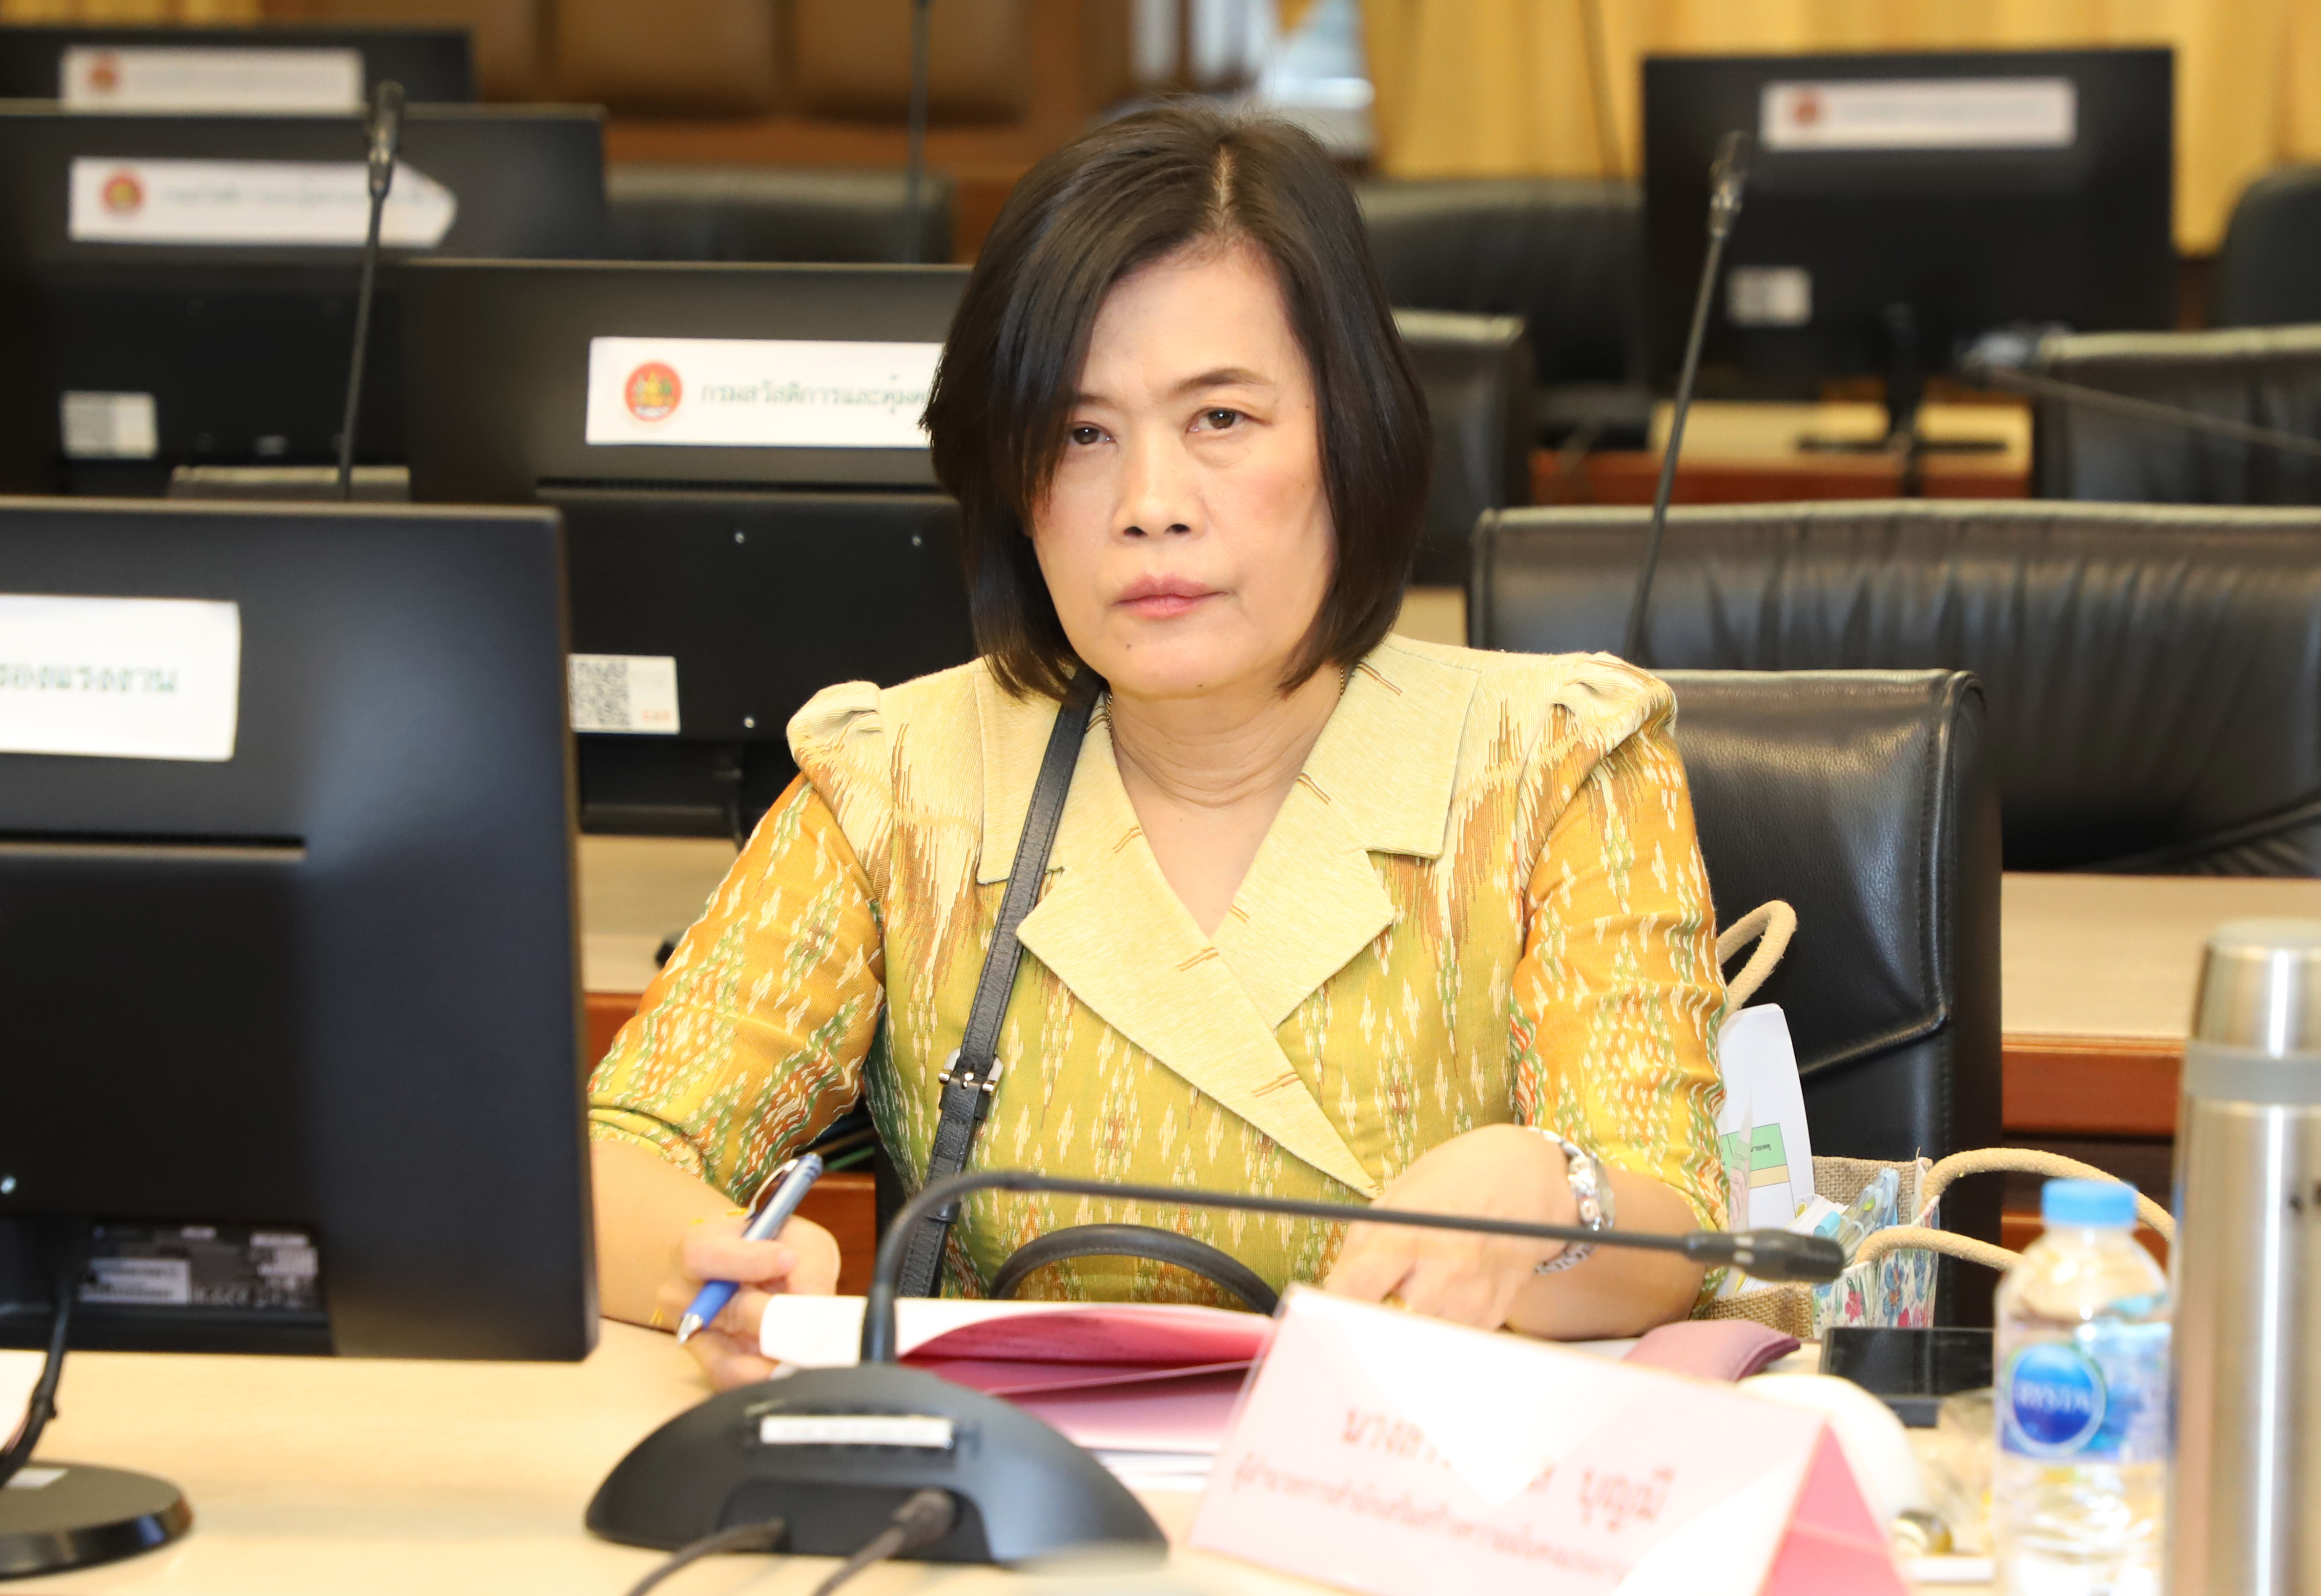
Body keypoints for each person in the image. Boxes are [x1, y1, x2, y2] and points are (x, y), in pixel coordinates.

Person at [588, 102, 1729, 1390]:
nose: (1148, 507)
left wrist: (1544, 1197)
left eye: (1220, 419)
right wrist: (706, 1264)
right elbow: (619, 1149)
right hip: (1011, 1483)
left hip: (1396, 1484)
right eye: (1081, 435)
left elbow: (1673, 1243)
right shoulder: (895, 781)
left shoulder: (1554, 762)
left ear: (1350, 434)